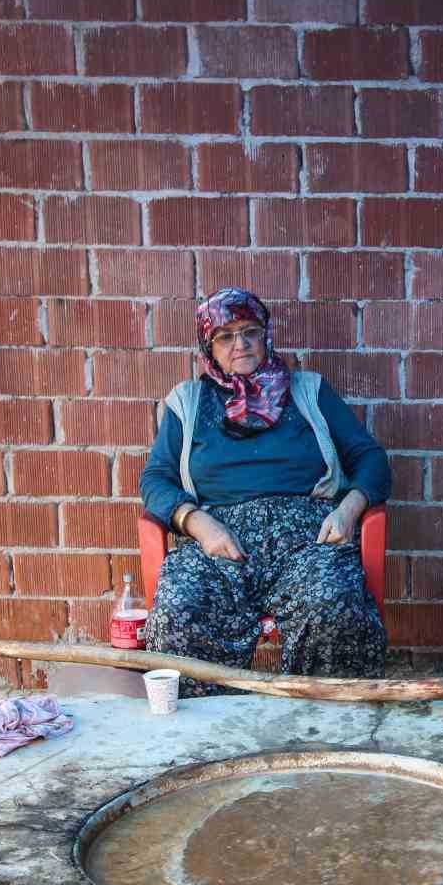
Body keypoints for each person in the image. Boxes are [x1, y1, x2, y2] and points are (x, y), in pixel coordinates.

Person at [139, 287, 390, 692]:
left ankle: (325, 730)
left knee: (333, 603)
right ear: (209, 345)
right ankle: (203, 734)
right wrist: (197, 523)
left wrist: (348, 510)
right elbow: (155, 479)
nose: (240, 344)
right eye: (225, 335)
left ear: (266, 335)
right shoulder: (187, 401)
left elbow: (371, 458)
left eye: (250, 331)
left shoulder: (308, 390)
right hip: (219, 545)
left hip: (308, 542)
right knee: (180, 606)